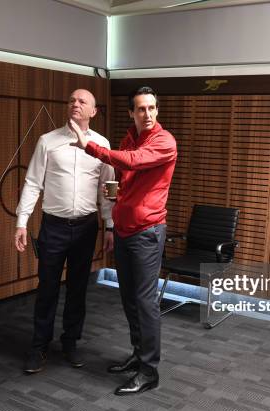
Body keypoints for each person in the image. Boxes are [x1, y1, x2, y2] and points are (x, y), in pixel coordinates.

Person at [69, 86, 177, 395]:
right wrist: (117, 196)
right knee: (129, 298)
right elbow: (127, 172)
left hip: (147, 233)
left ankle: (149, 370)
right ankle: (137, 354)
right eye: (141, 109)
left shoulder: (163, 141)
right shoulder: (130, 137)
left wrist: (88, 145)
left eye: (152, 108)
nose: (148, 114)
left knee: (145, 302)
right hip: (126, 230)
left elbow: (133, 162)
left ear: (157, 111)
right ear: (131, 112)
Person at [15, 89, 114, 374]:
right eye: (71, 99)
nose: (75, 104)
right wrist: (21, 222)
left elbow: (109, 189)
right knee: (46, 288)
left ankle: (70, 342)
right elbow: (33, 183)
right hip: (54, 227)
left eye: (83, 101)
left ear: (93, 111)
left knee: (78, 289)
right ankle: (39, 347)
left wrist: (110, 226)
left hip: (86, 227)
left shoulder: (101, 145)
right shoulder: (48, 141)